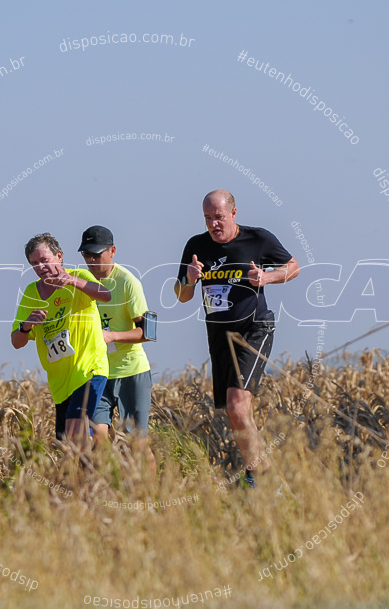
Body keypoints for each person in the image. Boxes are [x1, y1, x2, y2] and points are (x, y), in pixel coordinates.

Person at [174, 190, 300, 488]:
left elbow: (294, 267)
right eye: (207, 219)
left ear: (233, 213)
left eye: (218, 217)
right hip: (219, 334)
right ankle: (264, 477)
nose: (213, 225)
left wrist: (267, 278)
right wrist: (189, 279)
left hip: (254, 328)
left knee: (236, 406)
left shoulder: (258, 239)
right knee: (238, 413)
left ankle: (261, 481)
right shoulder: (195, 246)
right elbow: (181, 297)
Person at [11, 233, 111, 445]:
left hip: (89, 370)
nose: (41, 267)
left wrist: (72, 281)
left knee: (76, 431)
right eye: (34, 264)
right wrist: (26, 325)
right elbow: (16, 341)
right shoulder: (31, 292)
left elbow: (105, 294)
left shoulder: (79, 275)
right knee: (67, 444)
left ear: (59, 256)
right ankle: (102, 470)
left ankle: (90, 476)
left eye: (44, 260)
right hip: (59, 383)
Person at [77, 225, 157, 474]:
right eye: (86, 255)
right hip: (97, 374)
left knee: (137, 445)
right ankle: (107, 493)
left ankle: (151, 502)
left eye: (96, 255)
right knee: (97, 440)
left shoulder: (128, 282)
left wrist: (111, 336)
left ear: (112, 251)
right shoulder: (81, 282)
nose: (91, 261)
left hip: (131, 372)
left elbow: (149, 333)